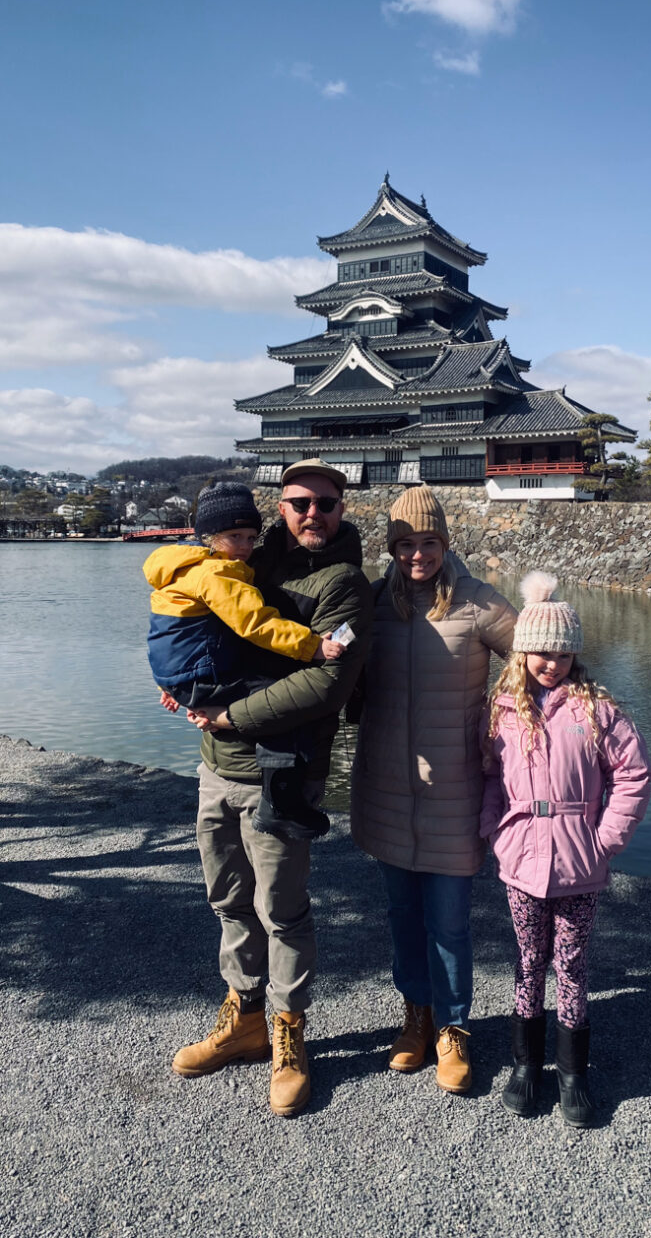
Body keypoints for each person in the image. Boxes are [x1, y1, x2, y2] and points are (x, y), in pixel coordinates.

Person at [171, 459, 373, 1118]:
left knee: (282, 911)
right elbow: (201, 625)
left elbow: (327, 684)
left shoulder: (347, 588)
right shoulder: (245, 562)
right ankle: (245, 1017)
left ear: (343, 509)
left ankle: (290, 1030)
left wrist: (231, 715)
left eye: (325, 503)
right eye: (298, 503)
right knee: (228, 900)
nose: (312, 513)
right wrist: (178, 678)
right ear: (278, 509)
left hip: (283, 774)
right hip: (215, 767)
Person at [350, 485, 517, 1095]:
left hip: (453, 786)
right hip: (387, 785)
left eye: (428, 542)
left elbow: (534, 657)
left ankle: (453, 1027)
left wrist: (507, 718)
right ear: (391, 549)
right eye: (404, 544)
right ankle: (414, 1017)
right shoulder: (370, 605)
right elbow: (325, 665)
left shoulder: (478, 602)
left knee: (449, 922)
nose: (417, 555)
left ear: (446, 544)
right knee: (401, 915)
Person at [480, 571, 651, 1128]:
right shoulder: (504, 709)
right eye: (539, 652)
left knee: (572, 964)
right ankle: (526, 1066)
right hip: (521, 861)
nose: (550, 663)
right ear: (523, 651)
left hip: (582, 860)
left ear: (575, 654)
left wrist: (607, 838)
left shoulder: (598, 711)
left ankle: (574, 1071)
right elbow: (488, 776)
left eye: (561, 653)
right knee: (529, 962)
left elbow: (634, 775)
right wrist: (494, 829)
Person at [143, 479, 346, 840]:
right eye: (235, 537)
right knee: (280, 701)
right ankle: (280, 804)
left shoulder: (182, 569)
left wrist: (171, 684)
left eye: (251, 538)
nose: (245, 547)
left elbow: (167, 635)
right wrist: (311, 645)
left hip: (181, 671)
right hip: (199, 672)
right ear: (209, 537)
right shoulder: (216, 574)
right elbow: (255, 622)